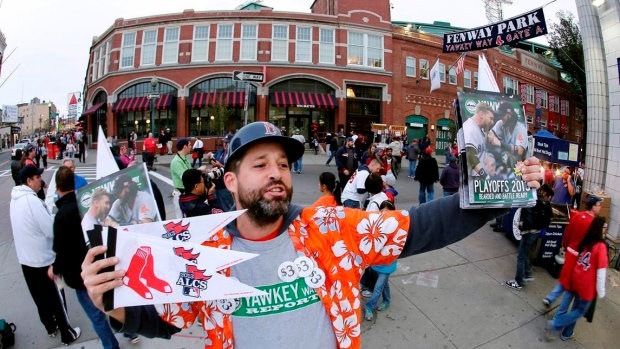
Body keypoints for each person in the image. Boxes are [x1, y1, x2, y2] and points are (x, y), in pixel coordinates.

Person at [81, 121, 542, 349]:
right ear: (230, 182)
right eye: (260, 165)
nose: (276, 174)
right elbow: (168, 319)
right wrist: (109, 299)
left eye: (282, 164)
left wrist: (500, 190)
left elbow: (424, 227)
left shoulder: (329, 227)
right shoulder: (200, 251)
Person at [51, 166, 139, 348]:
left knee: (97, 317)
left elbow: (60, 249)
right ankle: (130, 331)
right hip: (103, 266)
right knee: (114, 305)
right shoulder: (84, 208)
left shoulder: (62, 216)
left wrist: (56, 268)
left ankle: (111, 346)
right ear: (74, 184)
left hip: (81, 277)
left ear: (57, 188)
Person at [10, 165, 81, 346]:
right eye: (37, 177)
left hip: (25, 260)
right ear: (29, 181)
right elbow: (51, 230)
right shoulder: (32, 202)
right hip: (43, 260)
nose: (41, 180)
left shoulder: (15, 199)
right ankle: (67, 333)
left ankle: (50, 327)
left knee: (40, 299)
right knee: (57, 298)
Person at [545, 216, 608, 342]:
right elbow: (601, 272)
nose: (606, 230)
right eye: (605, 227)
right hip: (587, 286)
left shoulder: (587, 241)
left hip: (576, 278)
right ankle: (557, 325)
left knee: (571, 304)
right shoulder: (601, 246)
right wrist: (601, 292)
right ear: (601, 229)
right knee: (578, 311)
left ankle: (566, 332)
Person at [542, 195, 603, 308]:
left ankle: (550, 298)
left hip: (570, 251)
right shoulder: (593, 224)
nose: (600, 208)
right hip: (579, 257)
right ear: (593, 207)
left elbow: (568, 232)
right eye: (599, 205)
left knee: (564, 279)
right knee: (569, 285)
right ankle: (559, 311)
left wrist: (565, 246)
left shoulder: (577, 216)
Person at [504, 184, 554, 291]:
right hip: (537, 232)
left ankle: (518, 281)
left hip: (529, 231)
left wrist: (523, 228)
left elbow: (527, 217)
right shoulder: (546, 203)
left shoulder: (532, 200)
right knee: (525, 252)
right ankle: (528, 273)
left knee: (521, 255)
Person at [363, 195, 397, 321]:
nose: (385, 214)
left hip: (387, 264)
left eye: (388, 211)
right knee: (384, 284)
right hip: (376, 263)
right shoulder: (375, 226)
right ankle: (387, 300)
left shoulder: (396, 228)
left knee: (378, 288)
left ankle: (369, 307)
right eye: (382, 211)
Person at [463, 102, 495, 177]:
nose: (492, 122)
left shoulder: (479, 130)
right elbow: (470, 154)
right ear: (481, 114)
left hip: (476, 178)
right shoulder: (470, 127)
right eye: (491, 118)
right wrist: (484, 175)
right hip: (471, 179)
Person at [211, 134, 235, 212]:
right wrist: (212, 162)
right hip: (216, 184)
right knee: (217, 208)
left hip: (225, 186)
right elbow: (214, 158)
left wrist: (220, 165)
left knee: (228, 208)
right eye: (224, 142)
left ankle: (231, 224)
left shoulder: (233, 153)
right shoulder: (220, 151)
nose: (225, 144)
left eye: (227, 142)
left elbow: (232, 169)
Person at [171, 138, 193, 219]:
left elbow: (190, 173)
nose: (191, 147)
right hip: (180, 194)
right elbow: (185, 177)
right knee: (181, 218)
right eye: (190, 145)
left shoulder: (184, 159)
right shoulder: (176, 161)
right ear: (185, 147)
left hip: (186, 193)